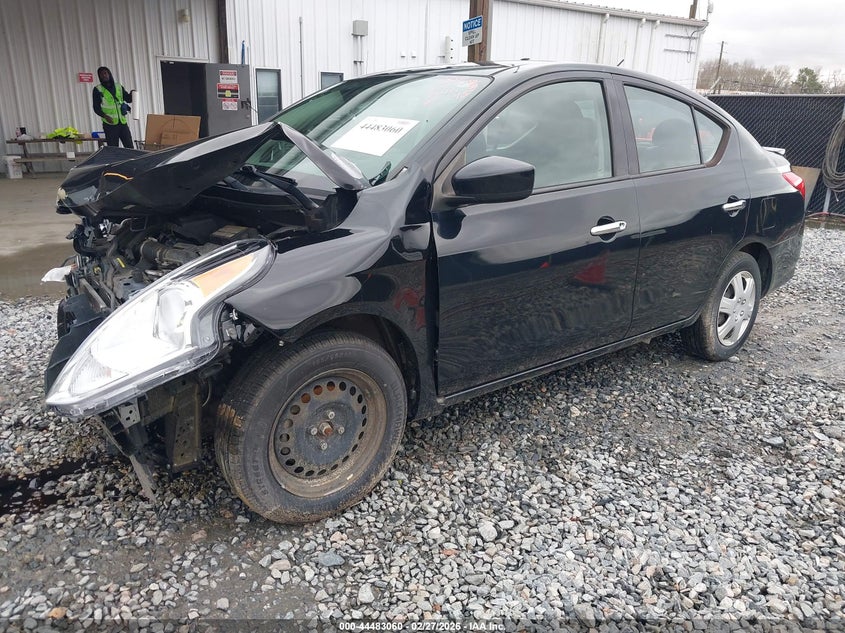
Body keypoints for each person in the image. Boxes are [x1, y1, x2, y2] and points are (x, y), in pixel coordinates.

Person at [93, 66, 134, 148]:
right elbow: (96, 108)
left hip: (122, 123)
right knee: (113, 149)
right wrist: (105, 116)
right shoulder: (98, 90)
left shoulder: (118, 87)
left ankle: (132, 161)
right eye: (101, 74)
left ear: (109, 74)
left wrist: (132, 94)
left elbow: (128, 99)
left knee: (129, 146)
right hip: (109, 124)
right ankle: (116, 161)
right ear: (99, 77)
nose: (104, 75)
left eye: (105, 73)